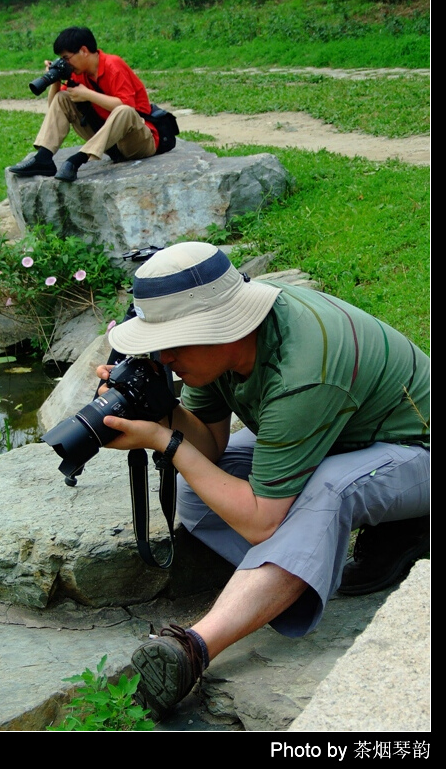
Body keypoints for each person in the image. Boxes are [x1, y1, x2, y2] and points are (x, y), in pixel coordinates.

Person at [96, 241, 430, 721]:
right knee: (198, 491)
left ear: (221, 327)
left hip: (416, 452)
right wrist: (159, 409)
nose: (163, 357)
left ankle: (194, 648)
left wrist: (166, 443)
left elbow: (259, 525)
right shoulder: (219, 349)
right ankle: (301, 570)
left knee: (327, 491)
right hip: (337, 435)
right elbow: (208, 448)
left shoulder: (303, 369)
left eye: (173, 342)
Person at [8, 26, 159, 182]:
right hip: (111, 145)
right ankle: (43, 158)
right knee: (62, 97)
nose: (65, 63)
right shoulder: (78, 73)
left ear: (84, 51)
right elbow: (54, 106)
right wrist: (55, 80)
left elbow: (129, 107)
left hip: (138, 141)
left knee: (124, 111)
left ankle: (77, 160)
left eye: (66, 58)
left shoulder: (113, 65)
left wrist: (87, 94)